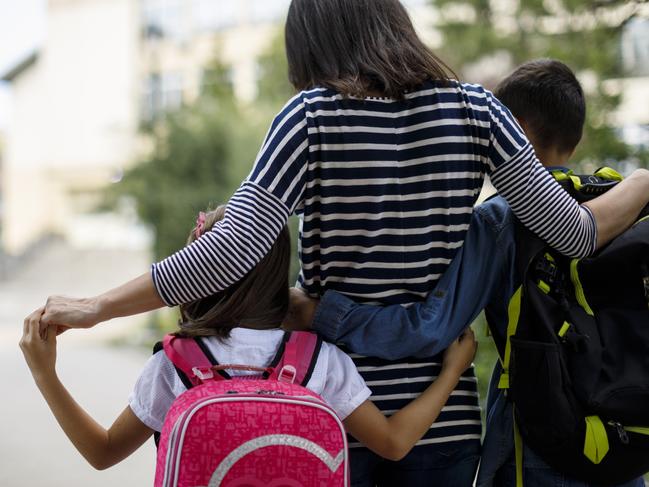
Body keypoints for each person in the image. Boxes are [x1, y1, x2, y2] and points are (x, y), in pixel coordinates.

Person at [34, 1, 649, 484]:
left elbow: (232, 250)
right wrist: (642, 182)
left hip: (329, 411)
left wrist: (98, 306)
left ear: (312, 43)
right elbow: (574, 232)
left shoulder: (310, 117)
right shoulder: (478, 111)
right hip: (444, 418)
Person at [284, 59, 649, 487]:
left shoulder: (502, 221)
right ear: (577, 135)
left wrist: (320, 314)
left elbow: (430, 327)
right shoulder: (623, 205)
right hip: (624, 442)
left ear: (513, 128)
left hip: (539, 442)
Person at [20, 206, 478, 473]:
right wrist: (451, 373)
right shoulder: (319, 360)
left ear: (196, 275)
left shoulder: (175, 364)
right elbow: (394, 443)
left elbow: (102, 454)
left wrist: (45, 373)